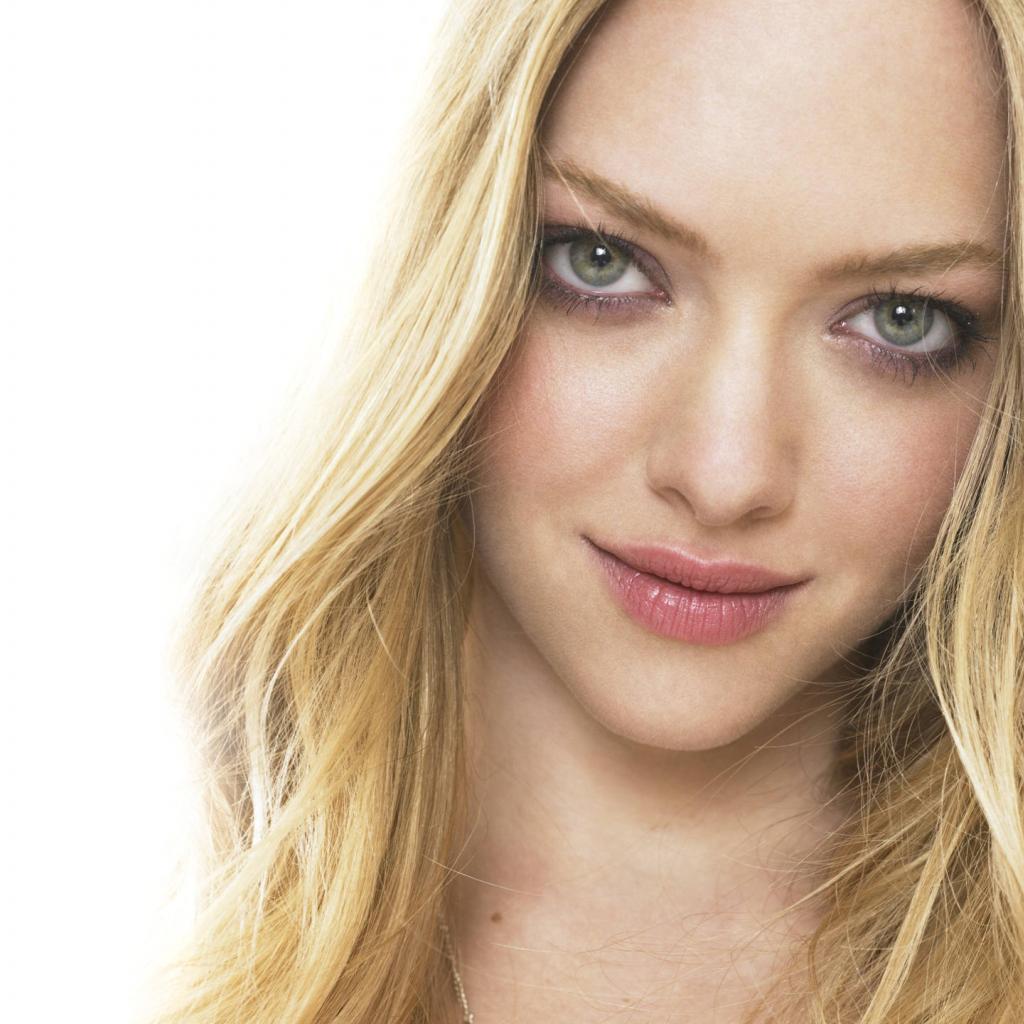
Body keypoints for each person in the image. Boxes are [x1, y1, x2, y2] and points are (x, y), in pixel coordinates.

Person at [144, 0, 1024, 1021]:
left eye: (900, 321)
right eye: (604, 263)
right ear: (455, 274)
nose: (724, 474)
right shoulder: (110, 925)